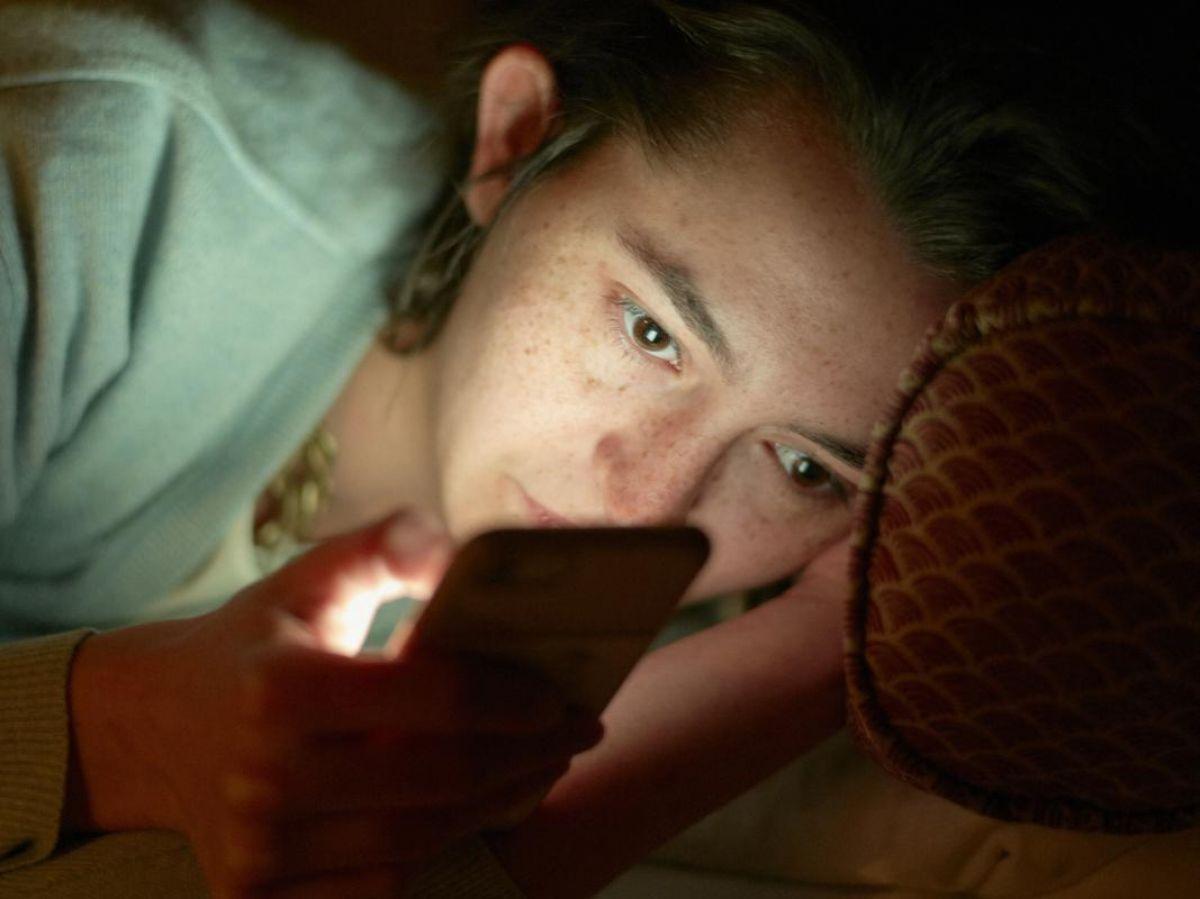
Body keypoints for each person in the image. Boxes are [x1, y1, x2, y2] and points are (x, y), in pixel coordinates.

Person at [0, 0, 1192, 896]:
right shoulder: (101, 174)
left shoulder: (736, 616)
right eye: (651, 331)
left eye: (803, 466)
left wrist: (812, 647)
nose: (648, 502)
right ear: (515, 139)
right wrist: (122, 727)